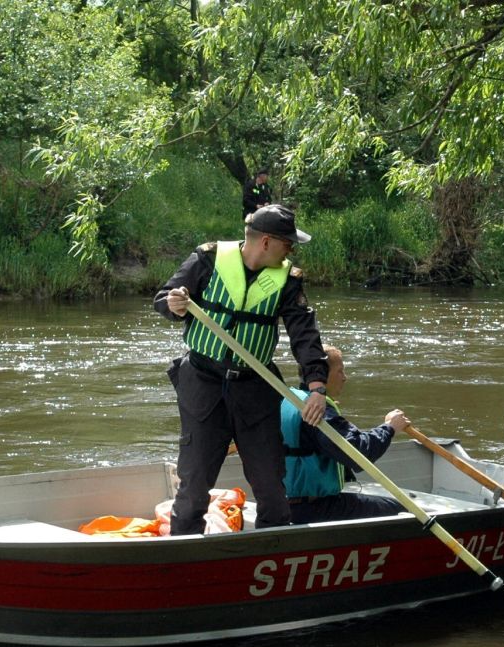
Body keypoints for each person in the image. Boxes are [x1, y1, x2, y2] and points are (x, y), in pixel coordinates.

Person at [155, 204, 328, 534]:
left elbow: (305, 335)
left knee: (272, 486)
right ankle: (183, 549)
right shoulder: (207, 259)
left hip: (255, 389)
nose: (291, 250)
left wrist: (317, 386)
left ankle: (271, 549)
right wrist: (174, 305)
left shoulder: (288, 281)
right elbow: (163, 299)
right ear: (266, 241)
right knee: (194, 484)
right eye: (288, 243)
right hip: (203, 384)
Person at [282, 346, 410, 524]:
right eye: (340, 371)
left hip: (284, 504)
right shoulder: (319, 411)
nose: (344, 377)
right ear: (322, 375)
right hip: (315, 508)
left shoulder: (290, 399)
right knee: (401, 510)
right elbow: (358, 453)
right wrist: (389, 428)